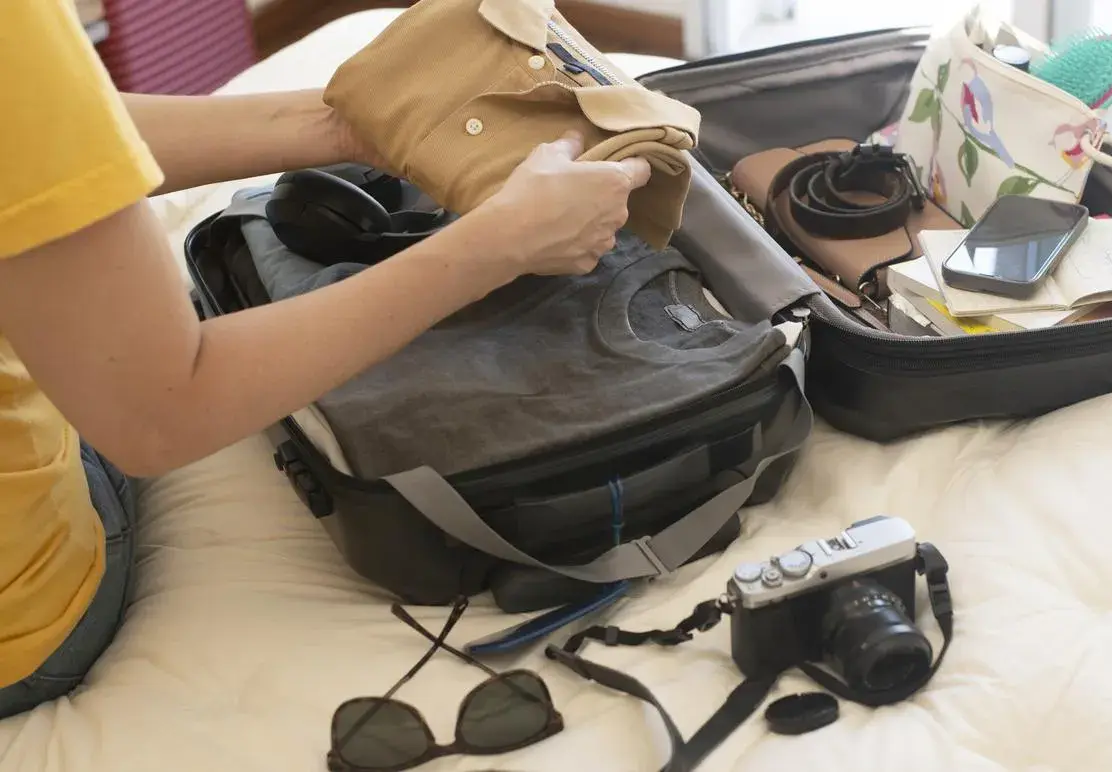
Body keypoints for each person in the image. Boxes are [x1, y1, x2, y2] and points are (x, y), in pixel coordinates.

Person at [0, 1, 651, 719]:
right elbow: (157, 416)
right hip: (26, 626)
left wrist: (347, 126)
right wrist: (499, 247)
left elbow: (45, 133)